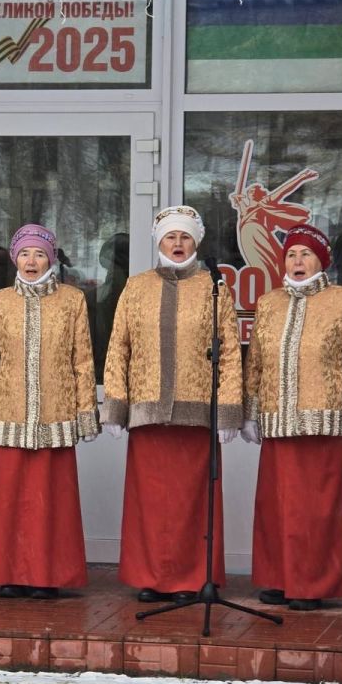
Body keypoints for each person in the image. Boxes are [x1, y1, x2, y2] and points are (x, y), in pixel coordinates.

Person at [103, 205, 242, 603]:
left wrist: (229, 410)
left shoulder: (214, 287)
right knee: (150, 502)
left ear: (195, 241)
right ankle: (151, 577)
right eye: (170, 236)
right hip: (147, 412)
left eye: (184, 237)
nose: (177, 243)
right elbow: (119, 347)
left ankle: (190, 579)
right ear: (158, 241)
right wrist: (116, 405)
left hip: (197, 411)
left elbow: (230, 351)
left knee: (190, 503)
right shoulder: (137, 286)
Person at [243, 224, 342, 611]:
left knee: (316, 509)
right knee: (277, 506)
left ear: (322, 260)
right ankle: (279, 579)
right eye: (291, 255)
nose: (297, 262)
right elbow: (256, 363)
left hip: (324, 422)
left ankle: (313, 583)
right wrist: (250, 412)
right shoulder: (269, 304)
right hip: (278, 421)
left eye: (305, 254)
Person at [0, 223, 99, 600]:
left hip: (55, 413)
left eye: (40, 254)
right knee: (11, 499)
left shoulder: (72, 300)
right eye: (25, 253)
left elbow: (83, 361)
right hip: (8, 412)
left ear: (51, 259)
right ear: (14, 258)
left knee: (51, 501)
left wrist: (86, 411)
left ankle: (48, 576)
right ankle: (10, 573)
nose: (31, 260)